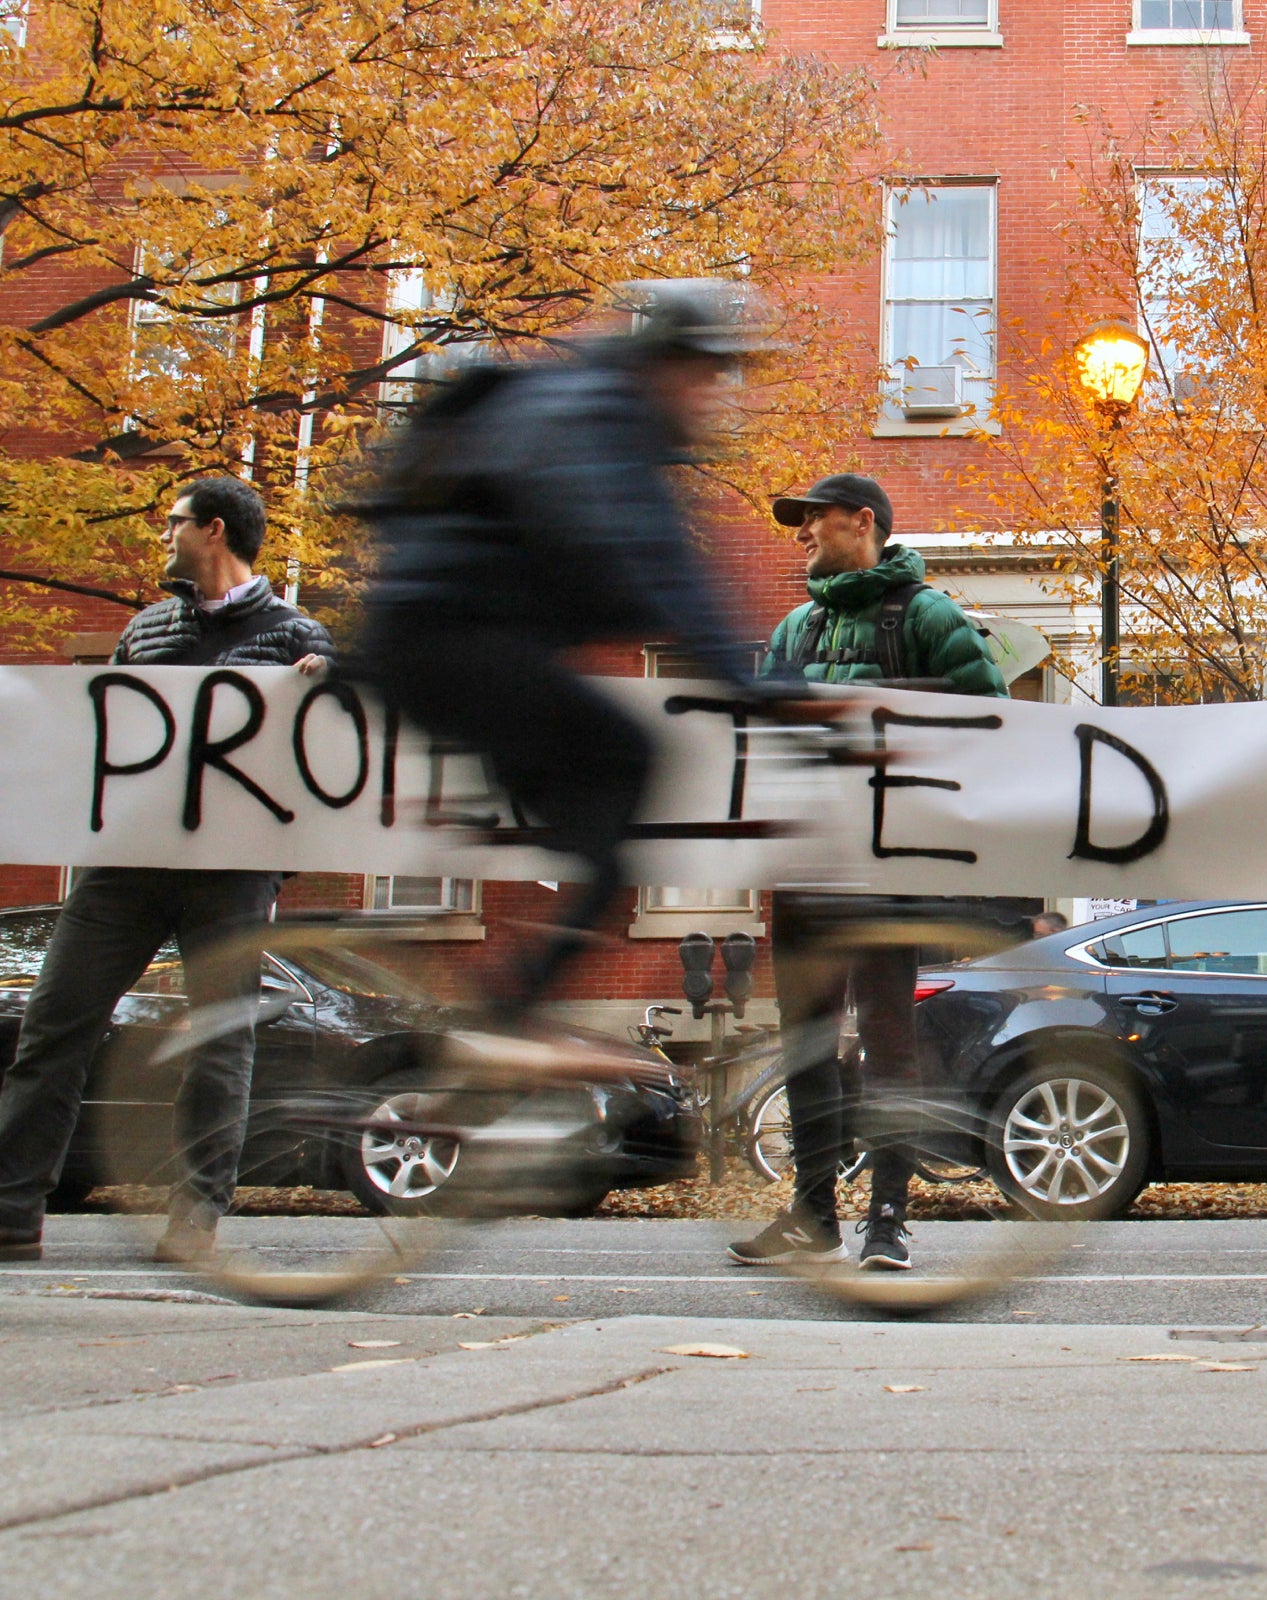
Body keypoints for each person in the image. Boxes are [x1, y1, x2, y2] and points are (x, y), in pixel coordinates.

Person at [359, 280, 766, 1025]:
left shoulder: (617, 427)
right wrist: (752, 684)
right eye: (708, 376)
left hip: (453, 639)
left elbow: (676, 572)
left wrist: (752, 677)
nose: (713, 397)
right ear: (666, 365)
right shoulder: (593, 417)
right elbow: (634, 555)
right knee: (633, 762)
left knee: (595, 814)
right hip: (445, 639)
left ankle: (504, 1009)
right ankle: (512, 1007)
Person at [0, 477, 334, 1264]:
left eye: (175, 523)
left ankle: (195, 1219)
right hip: (124, 868)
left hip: (231, 872)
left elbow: (330, 767)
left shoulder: (299, 638)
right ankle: (12, 1212)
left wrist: (328, 694)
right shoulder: (145, 632)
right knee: (54, 1027)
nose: (164, 535)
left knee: (222, 1042)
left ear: (212, 531)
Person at [730, 473, 1004, 1273]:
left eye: (814, 518)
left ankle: (889, 1219)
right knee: (808, 1043)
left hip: (893, 869)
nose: (802, 532)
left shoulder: (929, 616)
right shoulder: (793, 629)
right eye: (798, 521)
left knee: (889, 1043)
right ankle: (813, 1214)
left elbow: (992, 727)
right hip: (808, 866)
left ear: (865, 523)